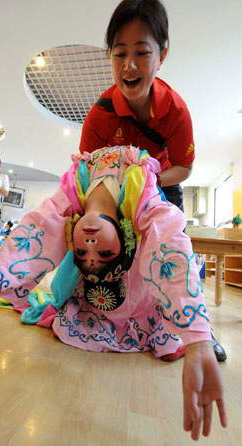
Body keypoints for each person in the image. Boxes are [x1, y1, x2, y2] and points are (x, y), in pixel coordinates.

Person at [0, 145, 227, 441]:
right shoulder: (143, 204)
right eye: (105, 252)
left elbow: (35, 229)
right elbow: (169, 243)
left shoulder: (74, 192)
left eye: (82, 252)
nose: (90, 243)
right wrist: (197, 341)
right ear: (124, 240)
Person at [79, 0, 226, 362]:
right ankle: (116, 320)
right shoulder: (100, 115)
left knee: (174, 254)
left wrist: (150, 178)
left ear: (162, 54)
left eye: (142, 52)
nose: (129, 65)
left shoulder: (175, 111)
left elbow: (186, 168)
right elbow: (85, 175)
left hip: (161, 186)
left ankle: (198, 332)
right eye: (119, 53)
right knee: (115, 259)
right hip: (113, 195)